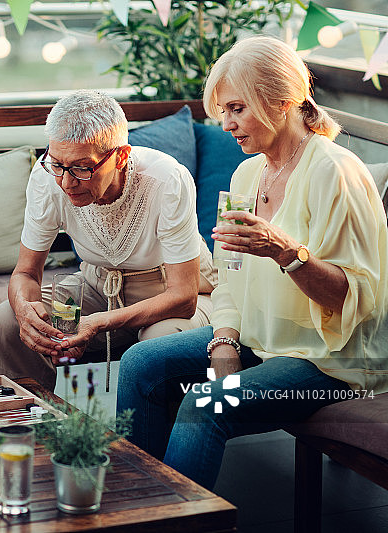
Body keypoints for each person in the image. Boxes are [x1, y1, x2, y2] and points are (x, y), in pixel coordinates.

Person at [117, 35, 388, 490]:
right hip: (263, 339)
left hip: (332, 362)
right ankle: (138, 501)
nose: (226, 124)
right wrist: (223, 341)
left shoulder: (335, 172)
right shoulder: (247, 172)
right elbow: (230, 276)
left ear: (282, 101)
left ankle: (179, 523)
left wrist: (286, 253)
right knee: (141, 362)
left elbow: (357, 300)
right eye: (223, 111)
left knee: (205, 405)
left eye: (237, 109)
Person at [0, 89, 217, 391]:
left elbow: (184, 297)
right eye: (57, 164)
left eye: (82, 167)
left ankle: (144, 439)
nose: (67, 182)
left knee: (158, 342)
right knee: (8, 321)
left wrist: (97, 322)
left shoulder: (167, 179)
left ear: (120, 156)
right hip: (98, 286)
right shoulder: (46, 177)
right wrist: (24, 310)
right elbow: (26, 273)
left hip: (172, 295)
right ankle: (25, 431)